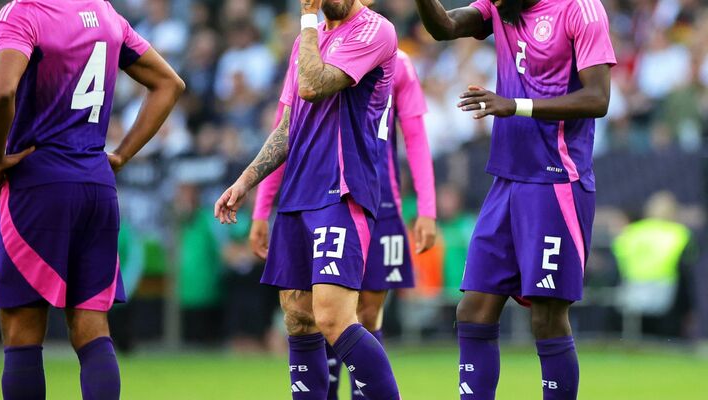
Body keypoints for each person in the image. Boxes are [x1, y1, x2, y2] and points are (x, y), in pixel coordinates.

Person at [413, 0, 615, 399]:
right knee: (473, 310)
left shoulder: (580, 10)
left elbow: (598, 99)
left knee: (547, 315)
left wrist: (515, 107)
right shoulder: (500, 6)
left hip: (556, 183)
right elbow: (445, 26)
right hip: (506, 181)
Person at [0, 1, 184, 399]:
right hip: (96, 183)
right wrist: (122, 155)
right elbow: (169, 84)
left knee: (22, 331)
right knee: (92, 331)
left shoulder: (23, 13)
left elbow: (2, 93)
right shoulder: (106, 13)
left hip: (37, 183)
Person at [214, 0, 401, 398]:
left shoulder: (373, 30)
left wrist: (306, 20)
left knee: (334, 318)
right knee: (298, 319)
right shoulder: (308, 39)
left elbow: (312, 86)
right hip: (298, 194)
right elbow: (288, 124)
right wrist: (246, 182)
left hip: (342, 190)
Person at [250, 43, 437, 400]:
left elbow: (415, 136)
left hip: (381, 202)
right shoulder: (310, 54)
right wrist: (262, 207)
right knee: (322, 313)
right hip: (322, 197)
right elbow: (285, 128)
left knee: (365, 312)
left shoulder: (396, 60)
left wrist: (426, 208)